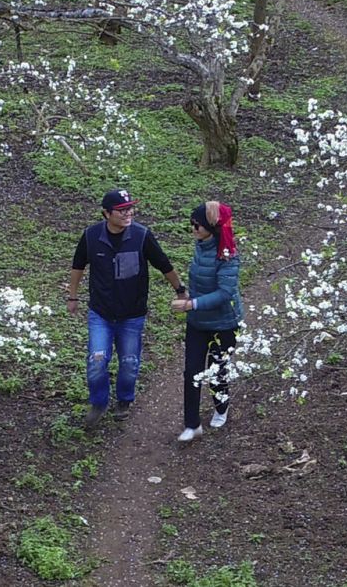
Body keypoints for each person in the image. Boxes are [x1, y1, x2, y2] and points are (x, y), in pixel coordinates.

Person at [67, 188, 186, 429]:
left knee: (130, 362)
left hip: (132, 314)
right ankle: (99, 402)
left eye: (130, 209)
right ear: (106, 213)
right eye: (121, 210)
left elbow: (164, 264)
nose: (127, 213)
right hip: (100, 313)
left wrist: (180, 290)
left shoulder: (142, 236)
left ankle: (124, 399)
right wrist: (72, 297)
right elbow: (77, 266)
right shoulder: (91, 236)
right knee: (97, 361)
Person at [171, 199, 243, 442]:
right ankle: (192, 424)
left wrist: (193, 304)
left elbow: (225, 293)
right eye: (191, 225)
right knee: (192, 371)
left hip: (224, 324)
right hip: (198, 322)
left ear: (211, 228)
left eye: (197, 226)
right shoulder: (200, 247)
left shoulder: (227, 255)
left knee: (217, 370)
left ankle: (221, 407)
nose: (192, 230)